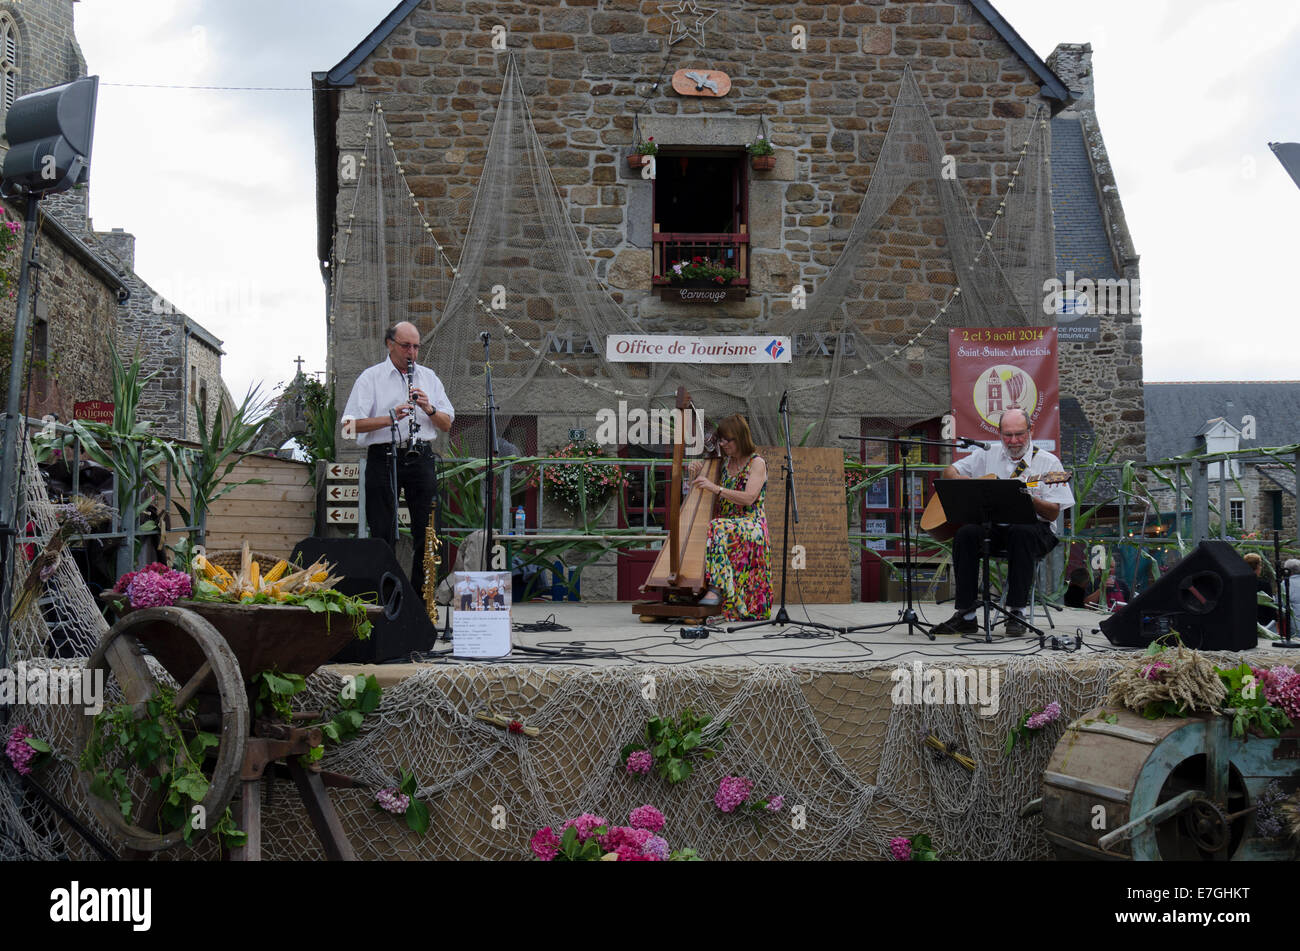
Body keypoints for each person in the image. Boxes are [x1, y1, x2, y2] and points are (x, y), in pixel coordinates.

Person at [931, 408, 1075, 637]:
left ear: (1031, 431)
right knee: (966, 534)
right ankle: (966, 614)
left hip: (1036, 531)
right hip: (995, 528)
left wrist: (1029, 498)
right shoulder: (988, 455)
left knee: (1022, 532)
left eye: (1019, 434)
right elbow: (950, 471)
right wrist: (965, 481)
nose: (1014, 440)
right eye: (1008, 435)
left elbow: (1053, 514)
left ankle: (1016, 612)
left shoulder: (1048, 463)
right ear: (999, 433)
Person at [342, 321, 453, 596]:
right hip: (383, 457)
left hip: (421, 456)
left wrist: (428, 408)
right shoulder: (371, 377)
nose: (412, 352)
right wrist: (389, 417)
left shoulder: (429, 377)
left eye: (416, 346)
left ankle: (418, 600)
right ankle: (386, 598)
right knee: (383, 532)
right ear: (390, 344)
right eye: (405, 346)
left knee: (428, 533)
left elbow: (447, 423)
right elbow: (348, 426)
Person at [689, 414, 773, 621]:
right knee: (711, 527)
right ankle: (712, 597)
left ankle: (716, 588)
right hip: (728, 522)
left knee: (716, 527)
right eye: (721, 440)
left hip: (751, 523)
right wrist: (696, 475)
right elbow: (708, 495)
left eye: (728, 439)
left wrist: (715, 487)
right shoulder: (723, 465)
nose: (724, 444)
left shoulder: (757, 463)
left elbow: (749, 498)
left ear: (741, 437)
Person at [1242, 552, 1277, 627]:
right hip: (1262, 622)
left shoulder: (1238, 583)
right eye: (1260, 565)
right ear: (1257, 566)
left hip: (1243, 621)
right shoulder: (1264, 585)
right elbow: (1270, 606)